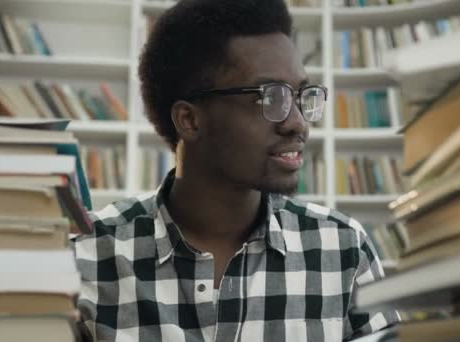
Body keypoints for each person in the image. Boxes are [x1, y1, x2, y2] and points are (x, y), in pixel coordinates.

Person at [74, 0, 398, 340]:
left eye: (302, 95)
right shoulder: (90, 255)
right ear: (190, 120)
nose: (298, 124)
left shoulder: (343, 249)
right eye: (269, 97)